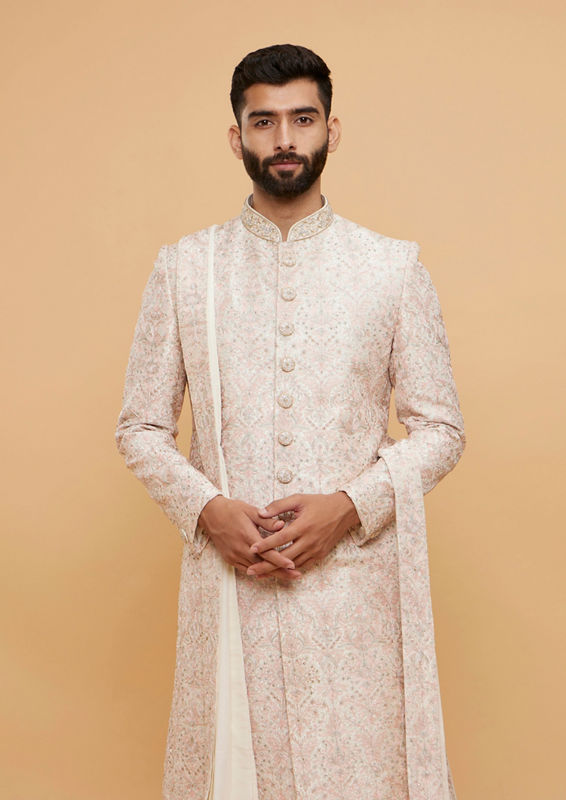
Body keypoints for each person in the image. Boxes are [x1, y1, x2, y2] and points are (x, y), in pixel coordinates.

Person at [115, 43, 465, 800]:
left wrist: (350, 507)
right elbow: (140, 426)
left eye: (302, 119)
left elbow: (441, 428)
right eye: (264, 121)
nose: (284, 140)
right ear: (235, 136)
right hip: (230, 582)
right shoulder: (186, 269)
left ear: (331, 130)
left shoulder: (391, 268)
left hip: (354, 599)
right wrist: (207, 510)